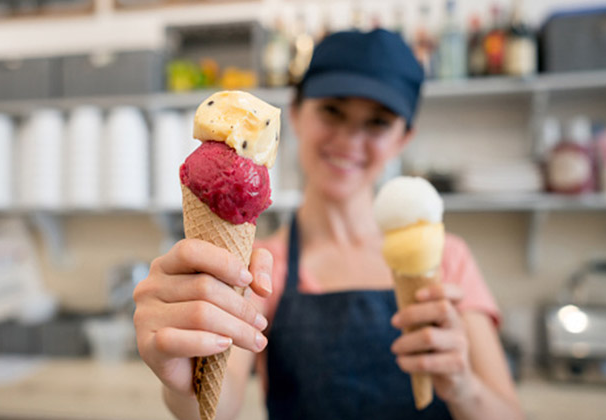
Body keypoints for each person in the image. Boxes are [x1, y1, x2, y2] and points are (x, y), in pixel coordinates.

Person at [133, 29, 524, 420]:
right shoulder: (260, 268)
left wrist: (464, 387)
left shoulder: (448, 257)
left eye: (378, 122)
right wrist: (184, 380)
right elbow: (219, 407)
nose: (350, 138)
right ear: (297, 112)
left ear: (404, 139)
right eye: (332, 111)